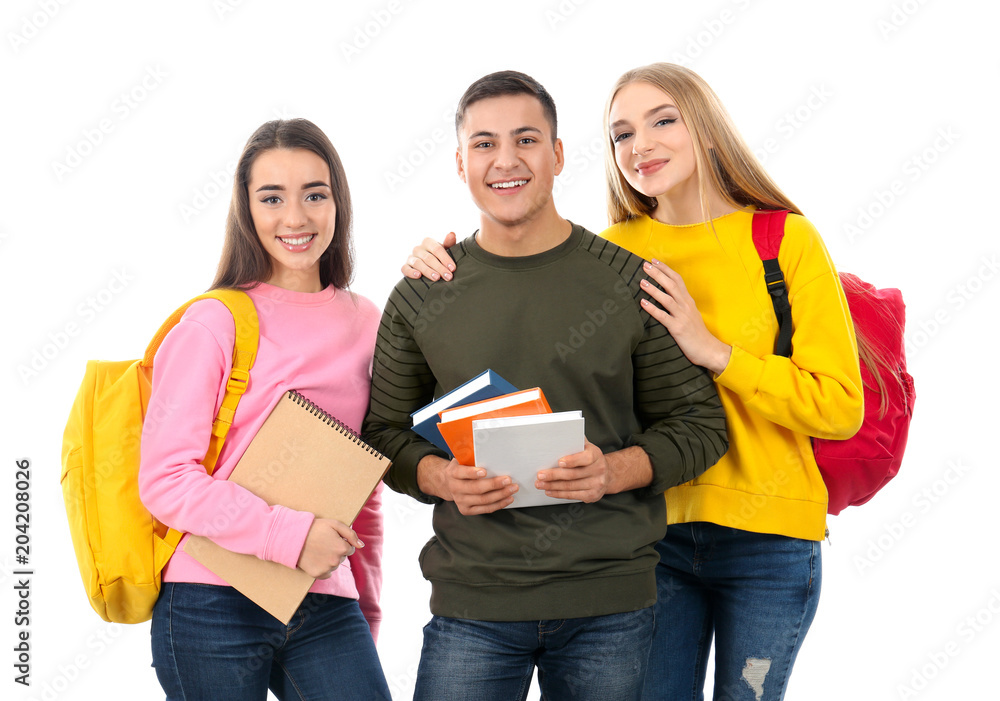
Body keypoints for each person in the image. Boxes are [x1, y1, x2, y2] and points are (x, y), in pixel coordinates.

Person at [402, 63, 865, 701]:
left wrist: (715, 352)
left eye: (663, 121)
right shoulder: (614, 250)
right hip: (657, 540)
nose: (639, 146)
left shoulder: (781, 240)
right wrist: (442, 268)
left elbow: (840, 407)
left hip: (768, 538)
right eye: (621, 134)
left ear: (706, 130)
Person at [362, 70, 729, 701]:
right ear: (459, 162)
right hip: (472, 604)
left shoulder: (631, 282)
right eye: (483, 144)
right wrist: (438, 478)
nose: (505, 161)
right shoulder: (422, 293)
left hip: (612, 605)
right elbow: (381, 435)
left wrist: (612, 471)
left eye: (526, 140)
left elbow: (701, 426)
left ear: (558, 155)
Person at [138, 118, 391, 700]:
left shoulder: (366, 322)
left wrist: (365, 608)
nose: (295, 218)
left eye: (314, 194)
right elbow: (166, 480)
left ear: (338, 203)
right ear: (246, 210)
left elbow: (362, 485)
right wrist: (289, 536)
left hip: (324, 600)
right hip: (210, 599)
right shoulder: (214, 320)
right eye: (272, 197)